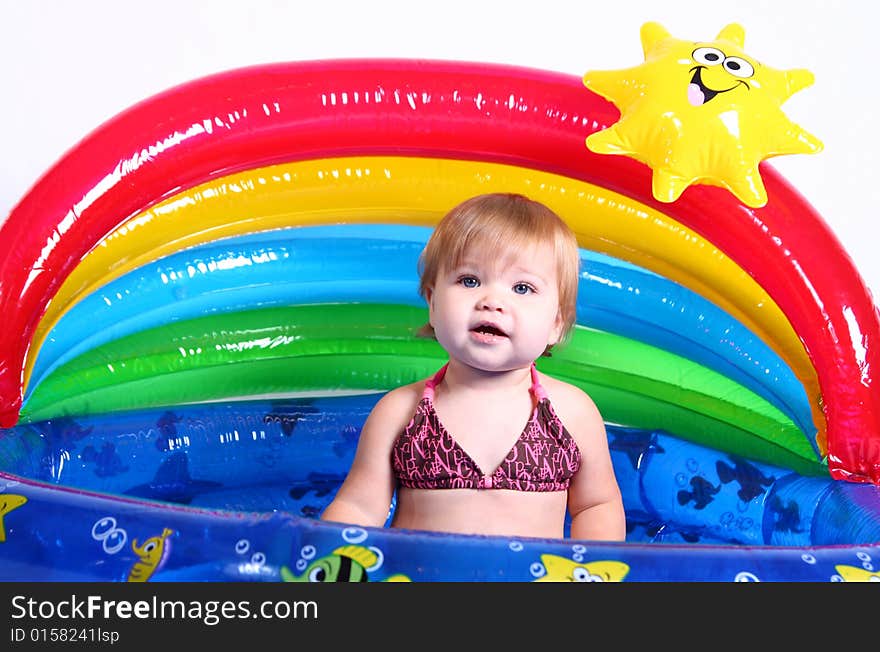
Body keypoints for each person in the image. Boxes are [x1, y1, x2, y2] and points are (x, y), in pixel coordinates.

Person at [321, 193, 625, 541]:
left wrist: (590, 572)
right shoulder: (401, 412)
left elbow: (596, 506)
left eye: (522, 288)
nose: (492, 301)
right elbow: (359, 506)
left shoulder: (571, 413)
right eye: (469, 280)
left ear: (556, 323)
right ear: (433, 305)